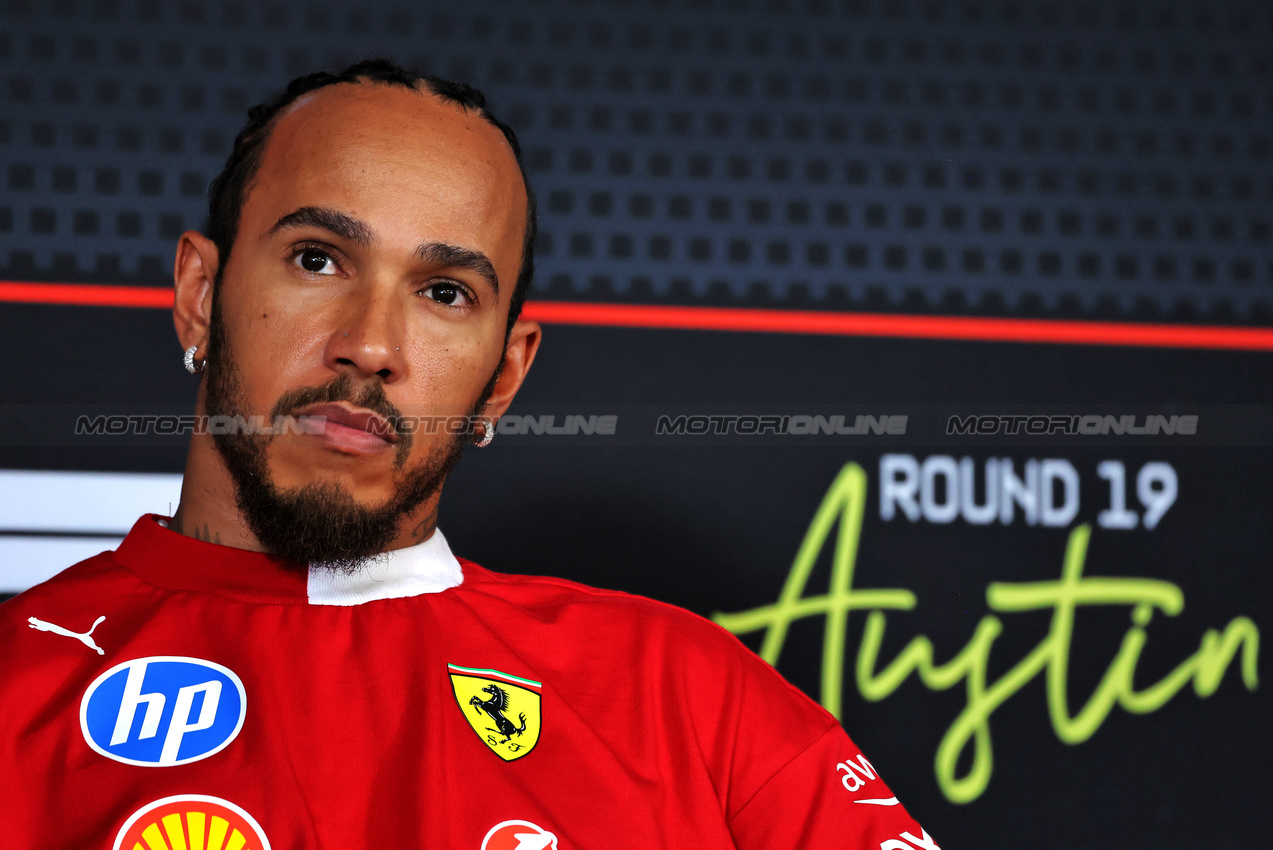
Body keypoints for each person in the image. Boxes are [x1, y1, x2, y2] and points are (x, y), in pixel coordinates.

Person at [0, 59, 936, 849]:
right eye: (319, 259)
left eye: (444, 292)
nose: (370, 344)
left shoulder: (687, 699)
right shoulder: (17, 690)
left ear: (504, 376)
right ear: (200, 294)